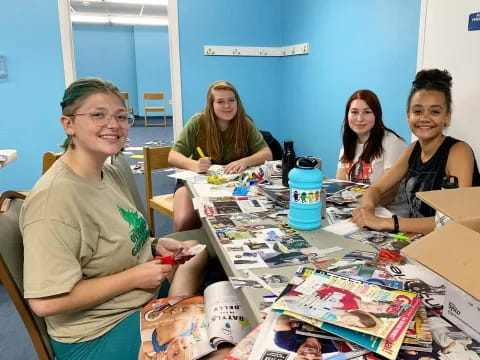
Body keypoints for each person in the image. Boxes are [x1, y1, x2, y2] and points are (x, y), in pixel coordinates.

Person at [19, 78, 209, 360]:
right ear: (68, 124)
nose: (114, 124)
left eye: (121, 116)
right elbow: (44, 303)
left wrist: (156, 244)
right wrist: (133, 278)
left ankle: (170, 313)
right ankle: (172, 320)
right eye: (98, 115)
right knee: (227, 342)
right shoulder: (53, 203)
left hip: (139, 297)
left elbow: (113, 231)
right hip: (97, 333)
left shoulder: (107, 171)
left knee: (197, 253)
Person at [352, 69, 480, 234]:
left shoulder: (458, 152)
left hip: (455, 246)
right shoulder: (412, 149)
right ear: (408, 116)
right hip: (418, 241)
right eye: (417, 111)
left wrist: (387, 222)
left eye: (435, 111)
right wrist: (367, 210)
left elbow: (455, 219)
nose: (424, 118)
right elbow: (376, 189)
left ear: (447, 116)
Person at [168, 80, 273, 231]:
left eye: (231, 100)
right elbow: (173, 156)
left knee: (249, 219)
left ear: (237, 102)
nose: (227, 106)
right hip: (194, 183)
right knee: (185, 220)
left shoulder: (245, 123)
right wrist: (195, 165)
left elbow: (267, 153)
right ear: (211, 105)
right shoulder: (197, 122)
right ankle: (183, 253)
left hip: (232, 183)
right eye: (220, 101)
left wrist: (245, 161)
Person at [337, 89, 408, 215]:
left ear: (377, 115)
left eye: (367, 112)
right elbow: (340, 186)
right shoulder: (348, 144)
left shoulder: (392, 142)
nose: (360, 118)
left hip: (389, 214)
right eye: (354, 112)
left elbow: (389, 194)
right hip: (356, 210)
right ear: (347, 115)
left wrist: (361, 209)